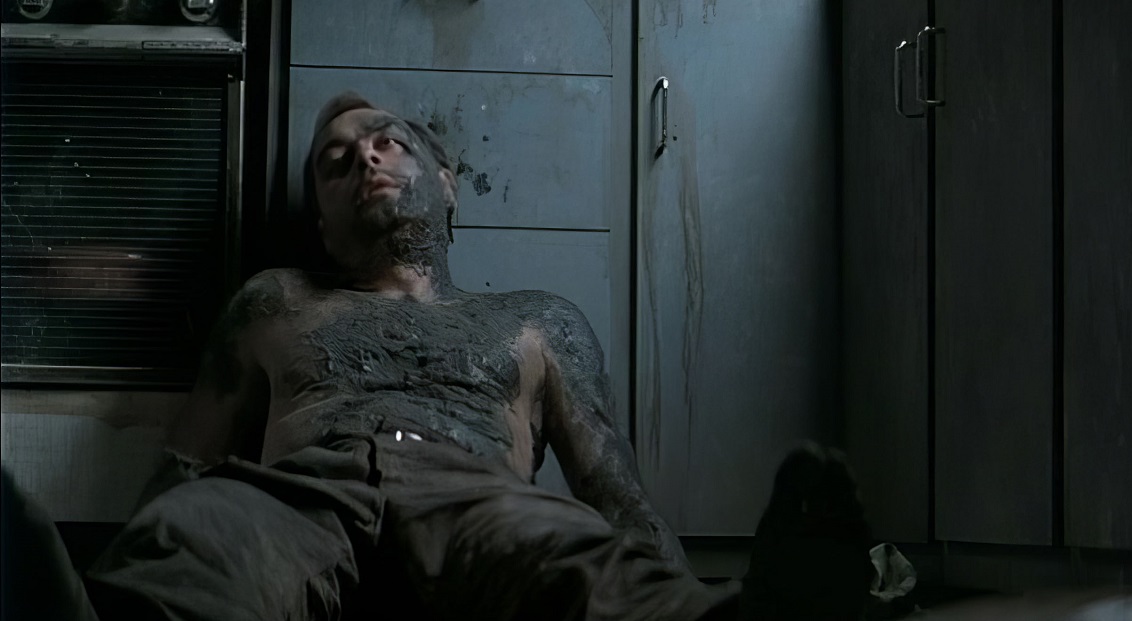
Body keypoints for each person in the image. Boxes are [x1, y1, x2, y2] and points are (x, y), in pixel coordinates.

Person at [78, 93, 875, 621]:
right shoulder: (274, 302)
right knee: (194, 539)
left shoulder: (536, 321)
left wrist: (682, 591)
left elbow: (616, 496)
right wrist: (141, 546)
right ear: (322, 222)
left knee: (579, 562)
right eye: (336, 161)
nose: (365, 159)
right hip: (301, 493)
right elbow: (182, 469)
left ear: (446, 184)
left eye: (388, 142)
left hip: (476, 499)